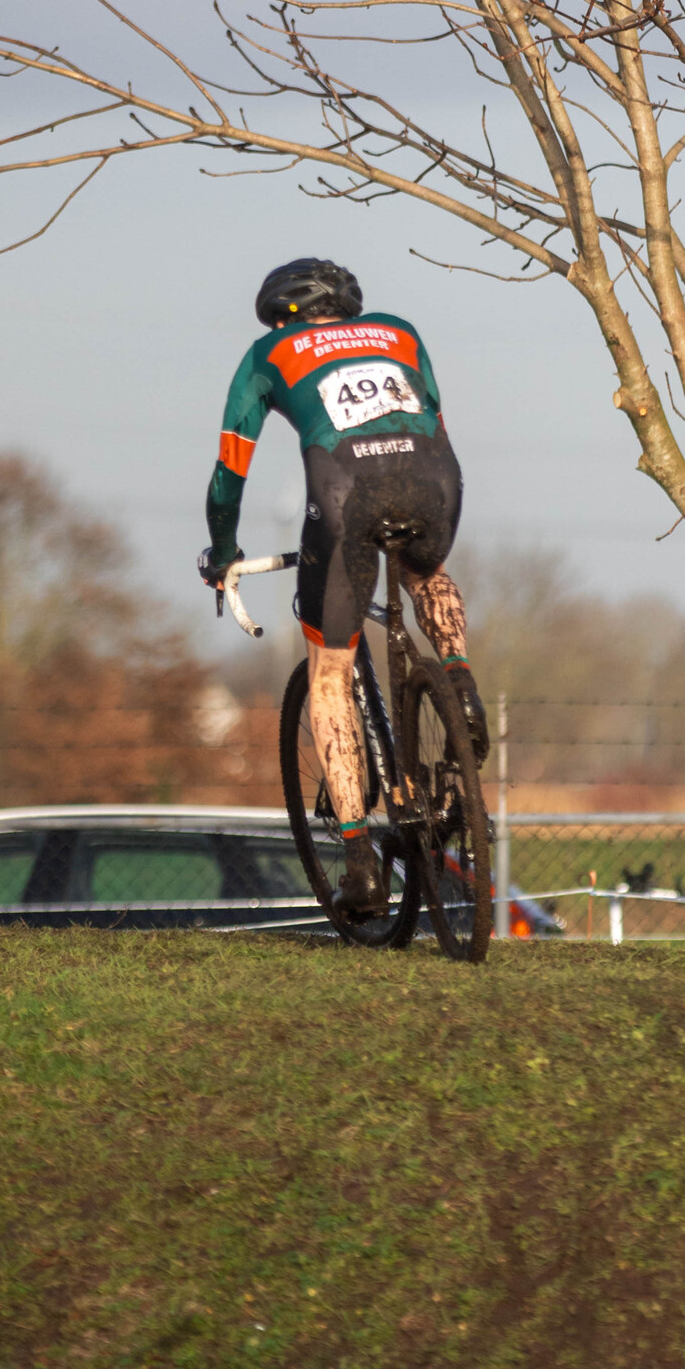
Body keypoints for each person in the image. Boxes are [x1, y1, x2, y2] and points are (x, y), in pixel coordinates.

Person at [199, 257, 487, 915]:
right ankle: (460, 681)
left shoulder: (268, 352)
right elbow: (432, 420)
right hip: (436, 482)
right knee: (425, 575)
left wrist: (222, 551)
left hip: (346, 493)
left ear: (282, 315)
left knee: (328, 672)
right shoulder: (400, 332)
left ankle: (359, 863)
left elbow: (228, 473)